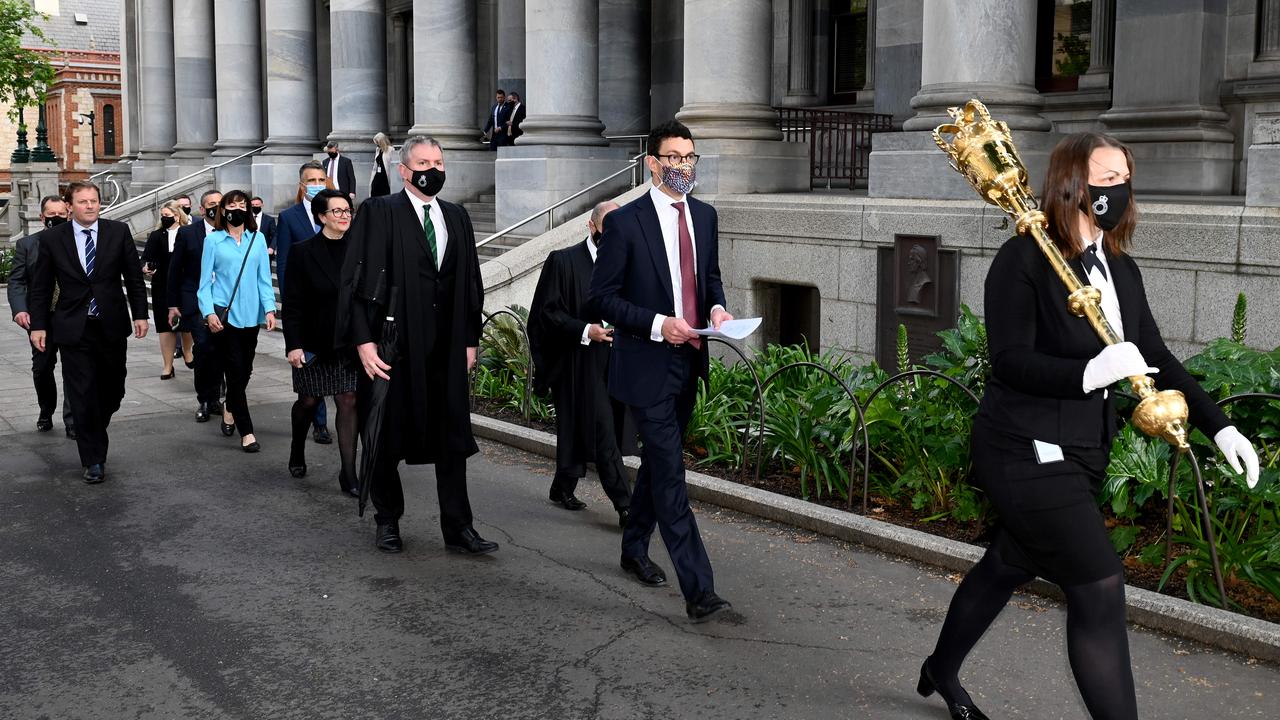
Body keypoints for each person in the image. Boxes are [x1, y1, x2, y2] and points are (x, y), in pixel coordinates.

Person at [918, 132, 1261, 720]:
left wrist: (1221, 428)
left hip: (1081, 452)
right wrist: (1090, 370)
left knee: (1008, 564)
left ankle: (940, 669)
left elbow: (1157, 356)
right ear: (1069, 183)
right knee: (1099, 586)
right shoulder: (1023, 259)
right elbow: (1009, 360)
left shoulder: (1119, 269)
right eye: (1103, 178)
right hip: (1022, 449)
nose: (1117, 189)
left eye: (1123, 177)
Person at [587, 120, 734, 623]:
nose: (682, 166)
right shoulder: (625, 222)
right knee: (671, 471)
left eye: (689, 157)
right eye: (672, 157)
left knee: (657, 464)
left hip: (690, 361)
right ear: (652, 163)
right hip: (646, 363)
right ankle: (700, 590)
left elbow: (708, 279)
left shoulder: (707, 217)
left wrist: (717, 311)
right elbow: (601, 298)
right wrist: (657, 324)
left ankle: (633, 548)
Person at [337, 134, 493, 555]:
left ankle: (458, 527)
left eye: (438, 162)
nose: (432, 170)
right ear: (403, 170)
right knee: (386, 434)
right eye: (423, 163)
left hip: (444, 348)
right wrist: (363, 343)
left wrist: (468, 340)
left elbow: (470, 283)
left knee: (451, 438)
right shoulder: (379, 212)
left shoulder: (456, 216)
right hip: (393, 347)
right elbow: (354, 281)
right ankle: (388, 520)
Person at [28, 181, 149, 484]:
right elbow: (41, 287)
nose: (91, 206)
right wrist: (39, 325)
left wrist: (141, 315)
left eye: (94, 201)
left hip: (110, 323)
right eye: (83, 201)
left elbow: (134, 278)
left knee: (113, 389)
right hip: (73, 328)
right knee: (81, 394)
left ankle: (95, 426)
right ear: (69, 206)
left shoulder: (117, 232)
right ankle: (92, 459)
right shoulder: (53, 239)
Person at [528, 200, 632, 527]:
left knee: (593, 425)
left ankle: (563, 484)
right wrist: (587, 330)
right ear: (592, 227)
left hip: (618, 360)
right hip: (578, 358)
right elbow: (546, 314)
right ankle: (626, 507)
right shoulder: (564, 262)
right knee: (602, 431)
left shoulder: (628, 265)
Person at [283, 189, 360, 497]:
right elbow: (293, 303)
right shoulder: (303, 252)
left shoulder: (359, 249)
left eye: (347, 211)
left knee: (348, 399)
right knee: (309, 401)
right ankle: (297, 448)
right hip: (313, 342)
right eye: (337, 211)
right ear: (321, 216)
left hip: (348, 343)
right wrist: (294, 345)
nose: (344, 216)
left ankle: (348, 472)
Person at [198, 190, 277, 453]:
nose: (237, 209)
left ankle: (230, 404)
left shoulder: (258, 238)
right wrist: (208, 313)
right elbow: (203, 285)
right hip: (225, 317)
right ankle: (248, 432)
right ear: (223, 210)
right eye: (232, 205)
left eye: (242, 204)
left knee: (245, 370)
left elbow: (264, 279)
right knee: (233, 370)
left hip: (251, 315)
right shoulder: (214, 241)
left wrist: (269, 309)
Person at [275, 161, 334, 445]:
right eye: (312, 180)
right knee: (310, 375)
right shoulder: (289, 218)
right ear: (302, 185)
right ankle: (318, 422)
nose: (317, 183)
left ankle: (324, 423)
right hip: (306, 311)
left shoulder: (337, 213)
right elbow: (284, 263)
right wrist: (290, 306)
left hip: (334, 311)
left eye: (321, 178)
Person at [8, 195, 76, 438]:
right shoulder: (27, 245)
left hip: (70, 316)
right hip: (40, 318)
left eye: (61, 215)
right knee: (42, 368)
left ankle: (72, 420)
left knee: (73, 369)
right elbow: (16, 281)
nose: (56, 219)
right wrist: (20, 309)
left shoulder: (77, 243)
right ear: (42, 217)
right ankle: (46, 410)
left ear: (68, 215)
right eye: (51, 215)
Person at [168, 189, 225, 423]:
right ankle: (204, 398)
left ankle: (216, 398)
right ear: (202, 209)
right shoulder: (188, 233)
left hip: (224, 301)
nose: (216, 208)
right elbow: (175, 270)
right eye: (211, 204)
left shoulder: (231, 232)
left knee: (220, 351)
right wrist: (173, 304)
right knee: (203, 349)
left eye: (220, 204)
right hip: (196, 301)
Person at [141, 201, 192, 380]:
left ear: (177, 216)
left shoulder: (188, 233)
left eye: (168, 215)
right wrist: (147, 267)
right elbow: (146, 257)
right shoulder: (157, 235)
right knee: (165, 326)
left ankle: (187, 351)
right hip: (162, 284)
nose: (164, 218)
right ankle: (167, 366)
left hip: (184, 284)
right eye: (162, 215)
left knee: (187, 322)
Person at [370, 132, 394, 197]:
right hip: (378, 174)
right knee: (374, 191)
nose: (377, 145)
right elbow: (375, 164)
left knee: (384, 194)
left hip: (385, 176)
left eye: (378, 143)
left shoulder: (390, 150)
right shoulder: (378, 150)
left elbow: (392, 165)